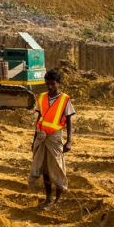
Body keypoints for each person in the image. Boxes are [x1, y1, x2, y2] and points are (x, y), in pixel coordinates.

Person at [29, 69, 75, 209]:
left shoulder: (65, 99)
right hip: (42, 136)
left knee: (57, 167)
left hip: (55, 137)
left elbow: (69, 120)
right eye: (47, 84)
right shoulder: (42, 97)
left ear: (59, 84)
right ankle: (48, 198)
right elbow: (39, 119)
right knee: (45, 169)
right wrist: (34, 139)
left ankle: (58, 199)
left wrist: (69, 141)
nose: (49, 87)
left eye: (52, 84)